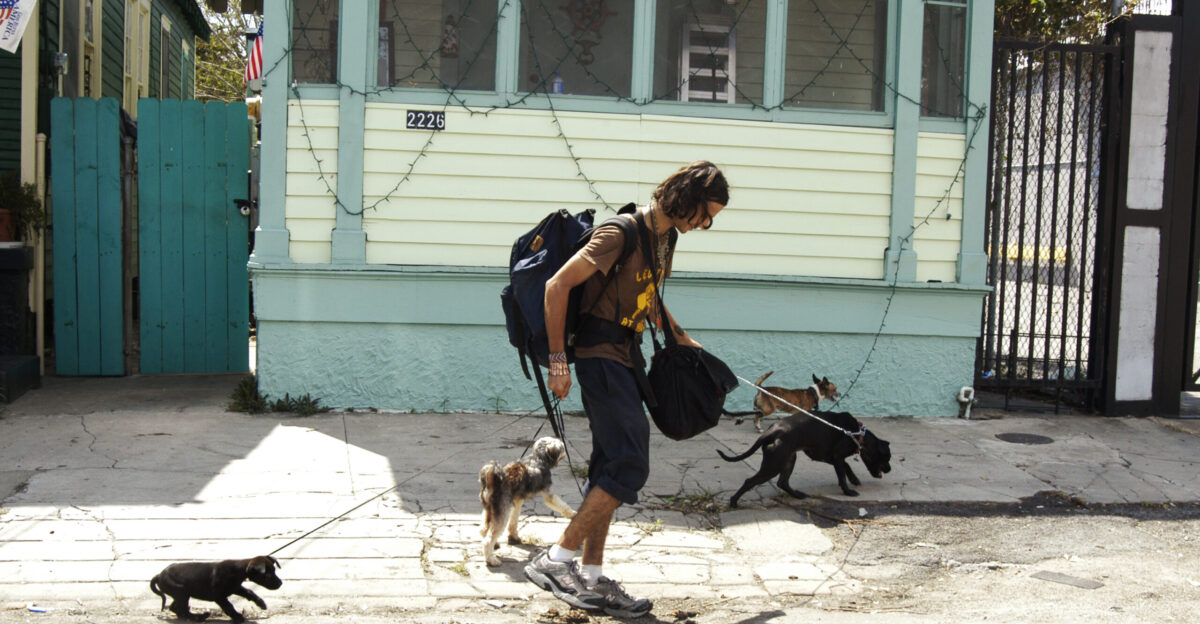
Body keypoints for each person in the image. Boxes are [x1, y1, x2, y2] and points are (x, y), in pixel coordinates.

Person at [523, 161, 730, 618]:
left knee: (610, 463)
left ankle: (593, 576)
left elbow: (649, 294)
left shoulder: (666, 236)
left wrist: (677, 333)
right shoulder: (619, 232)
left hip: (627, 354)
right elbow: (556, 287)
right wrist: (560, 362)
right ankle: (556, 560)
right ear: (686, 198)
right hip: (599, 356)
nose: (705, 224)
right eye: (704, 213)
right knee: (630, 462)